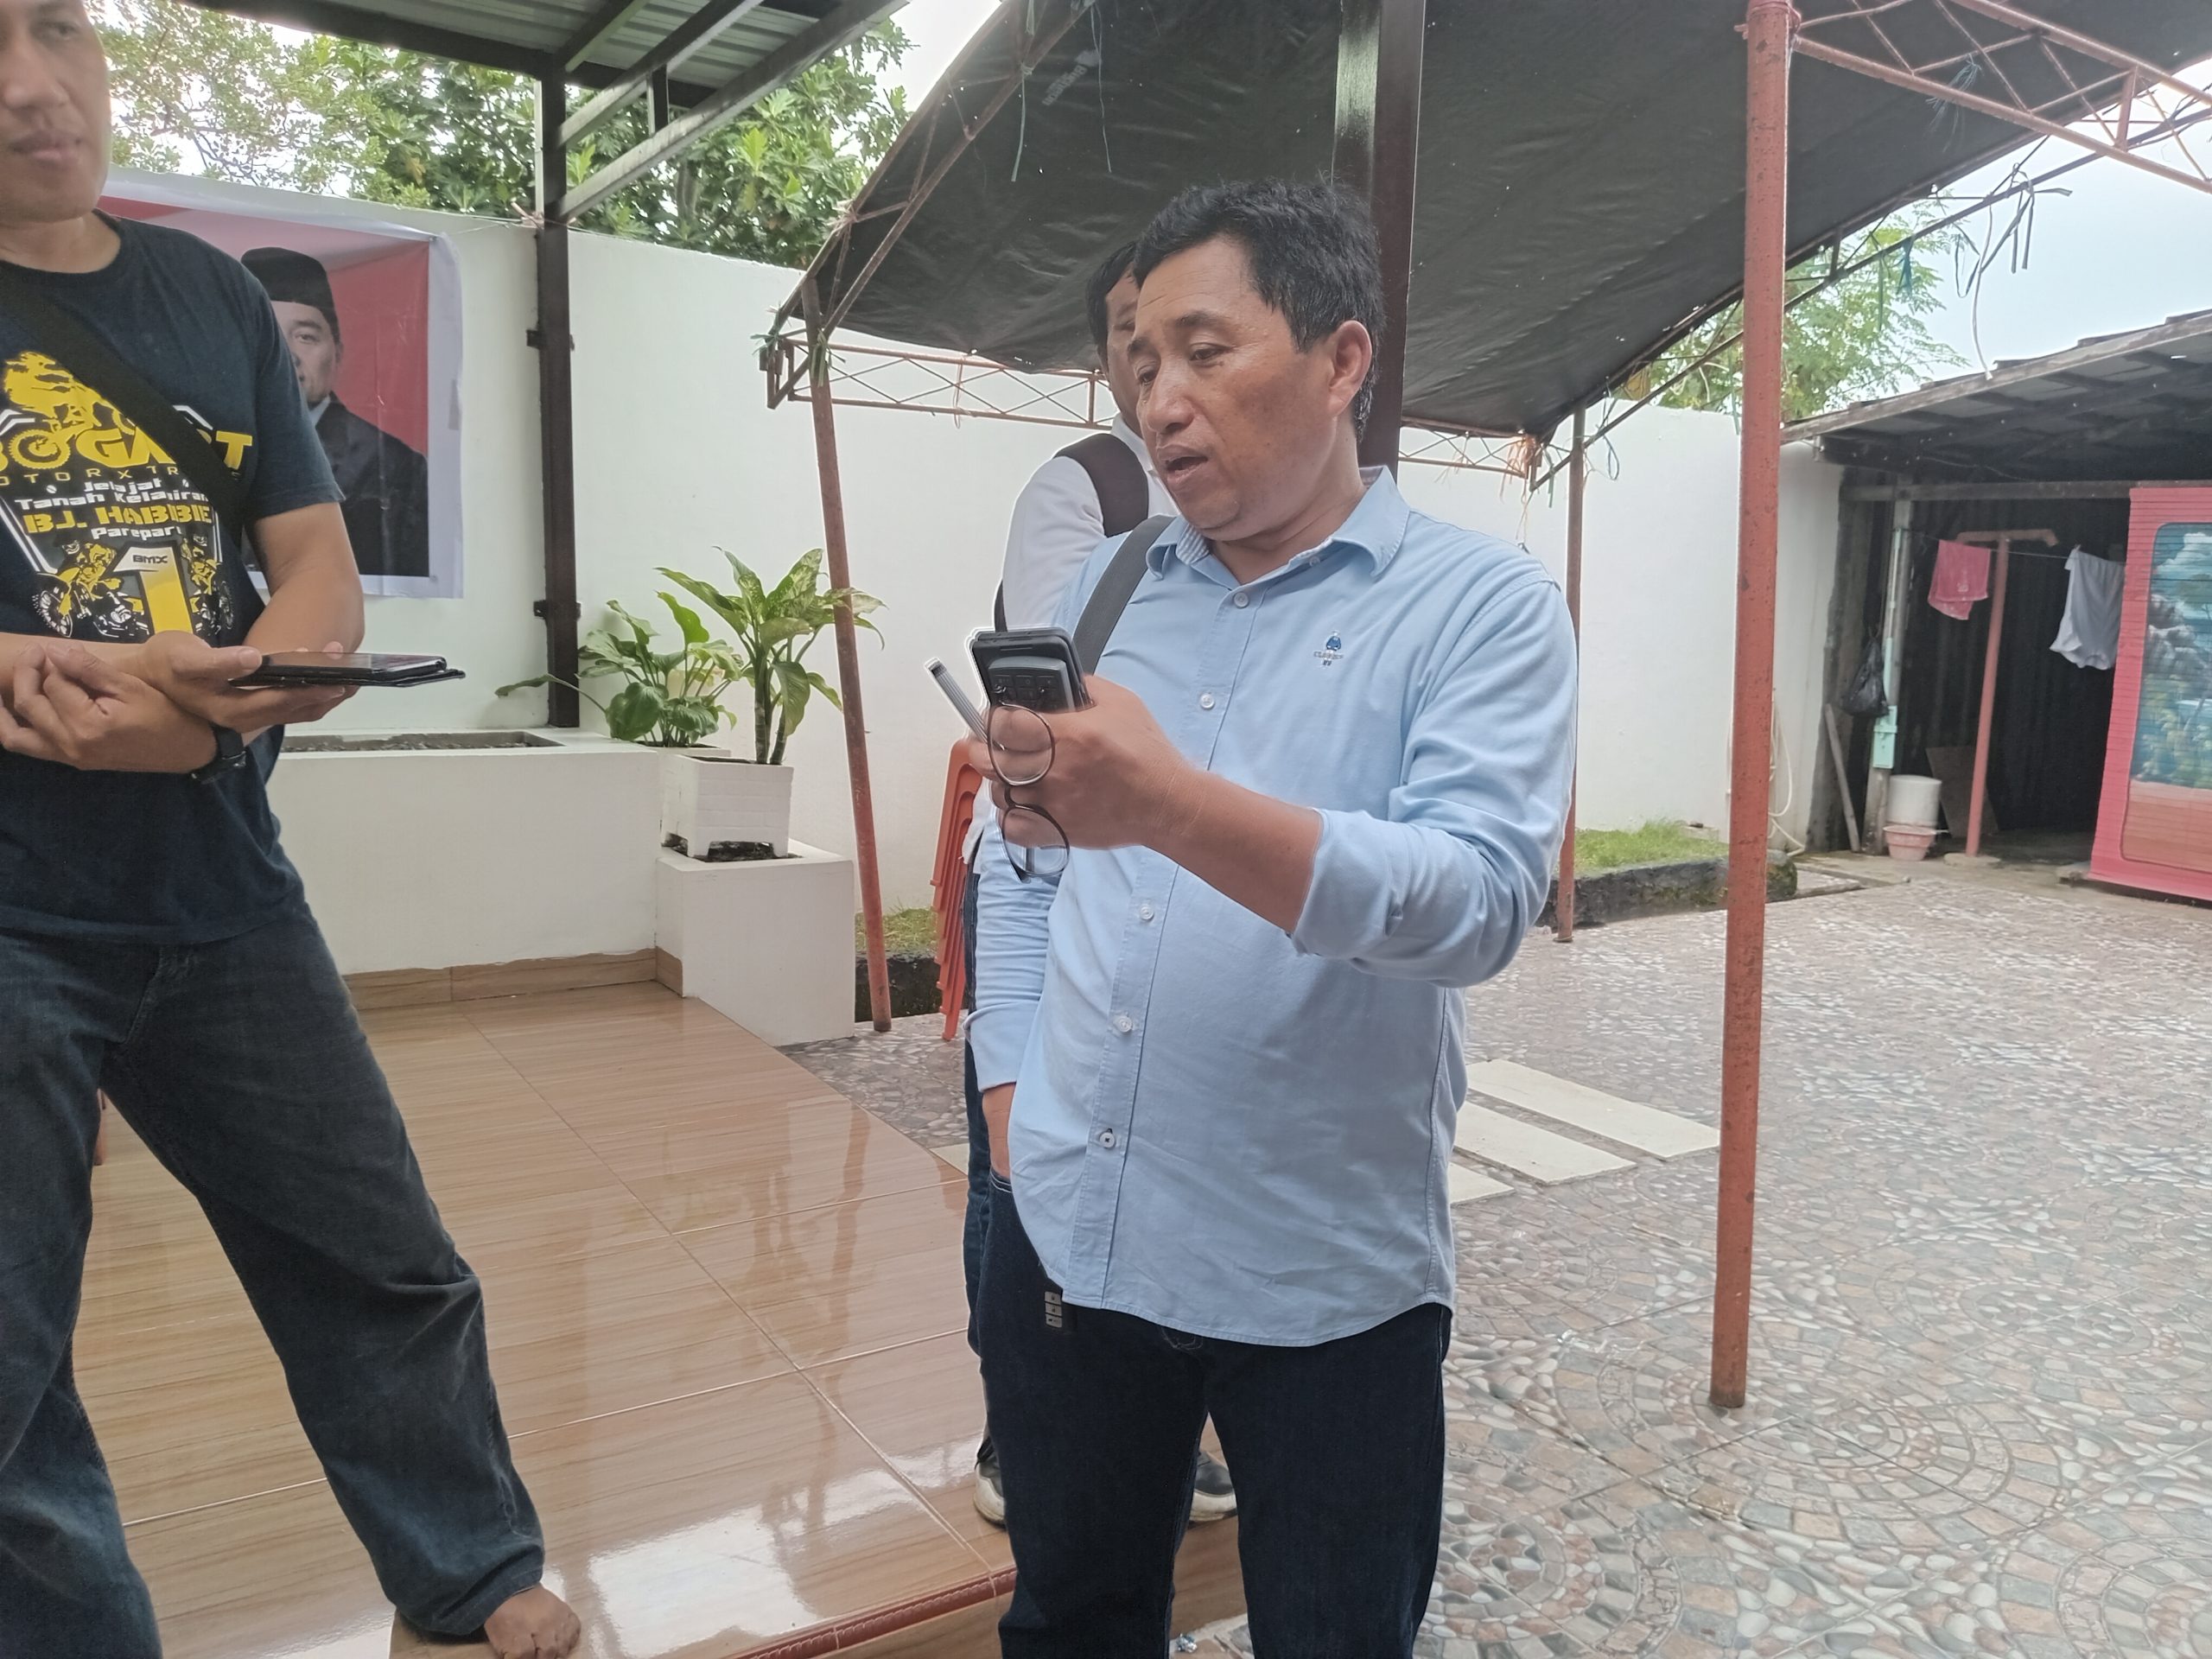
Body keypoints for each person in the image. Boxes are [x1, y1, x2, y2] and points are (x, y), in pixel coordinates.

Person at [0, 8, 578, 1657]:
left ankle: (466, 1569)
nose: (30, 86)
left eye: (54, 26)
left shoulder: (207, 296)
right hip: (13, 907)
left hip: (222, 886)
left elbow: (312, 560)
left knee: (375, 1250)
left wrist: (227, 700)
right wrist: (89, 687)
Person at [965, 179, 1577, 1654]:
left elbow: (1478, 902)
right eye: (1139, 365)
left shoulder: (1483, 608)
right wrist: (1008, 1096)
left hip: (1320, 1280)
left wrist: (1172, 805)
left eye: (1204, 352)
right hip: (1072, 1234)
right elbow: (1024, 857)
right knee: (1070, 1621)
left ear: (1342, 358)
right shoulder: (1109, 586)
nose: (1160, 402)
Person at [958, 242, 1238, 1529]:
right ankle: (1016, 1429)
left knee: (1144, 1155)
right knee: (1016, 1170)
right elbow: (1061, 718)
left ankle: (1155, 1424)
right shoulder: (1087, 496)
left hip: (1165, 884)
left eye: (1195, 338)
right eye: (1137, 338)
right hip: (1057, 866)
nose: (1159, 367)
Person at [243, 245, 431, 581]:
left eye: (305, 337)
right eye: (266, 333)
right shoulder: (201, 444)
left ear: (338, 355)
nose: (286, 355)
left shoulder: (395, 467)